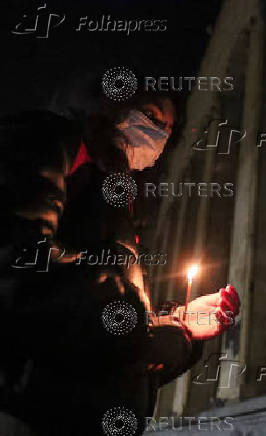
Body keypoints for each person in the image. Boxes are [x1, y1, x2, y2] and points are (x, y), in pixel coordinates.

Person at [0, 72, 240, 436]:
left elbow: (114, 347)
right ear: (114, 103)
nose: (159, 133)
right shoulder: (52, 140)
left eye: (168, 130)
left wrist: (179, 324)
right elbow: (17, 261)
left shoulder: (117, 202)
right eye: (151, 115)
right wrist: (144, 330)